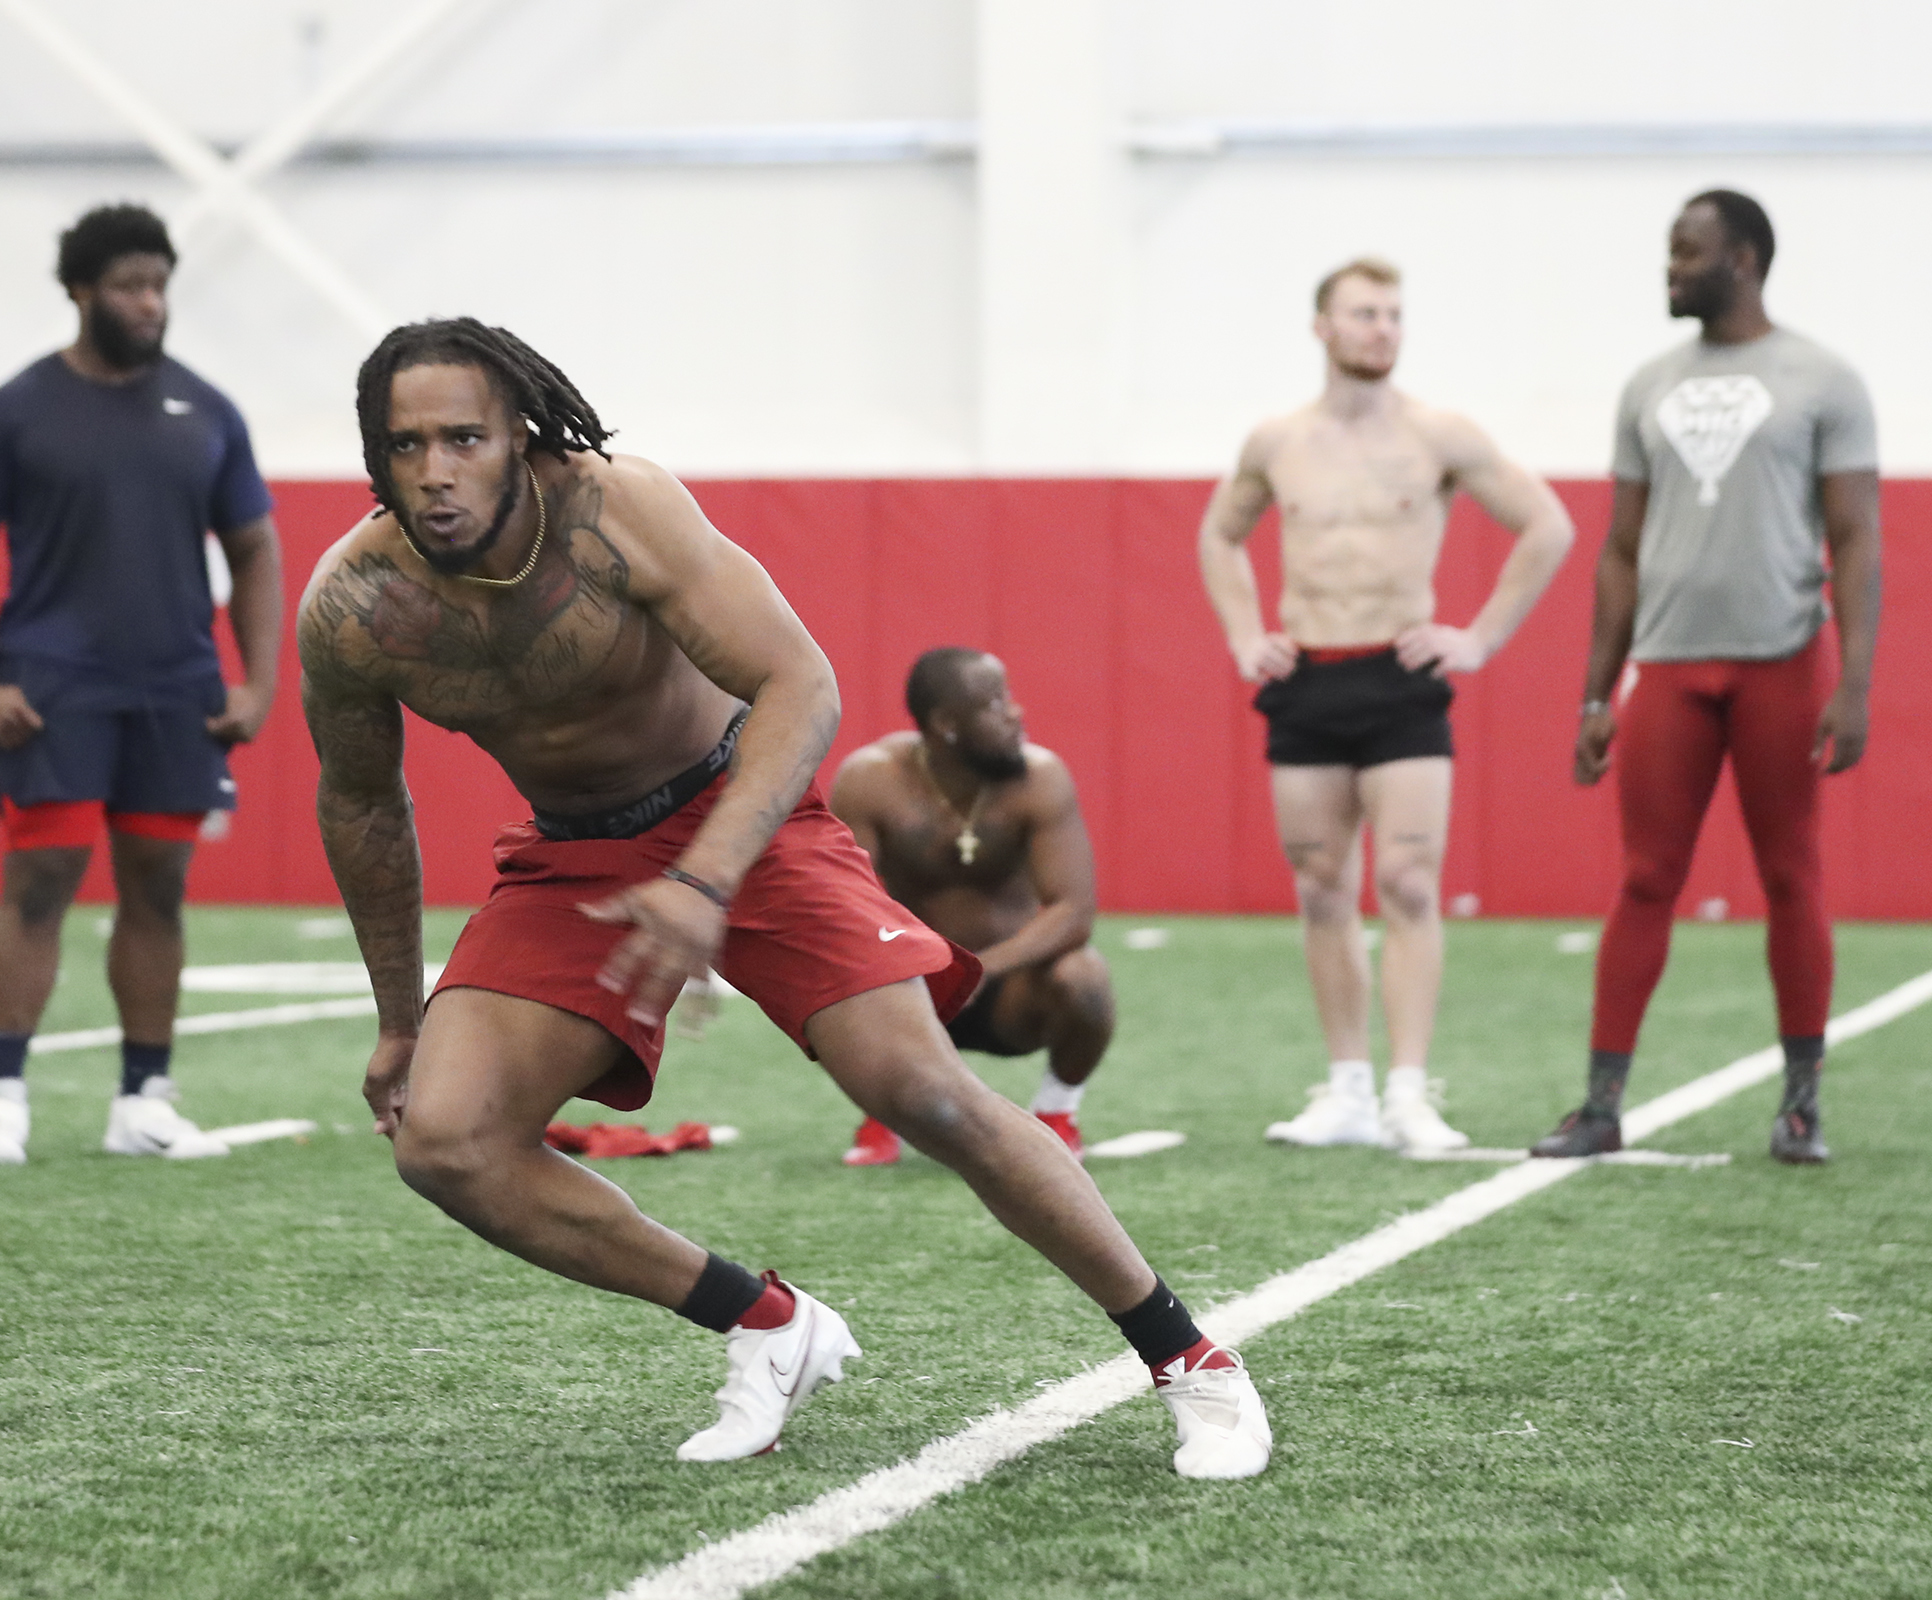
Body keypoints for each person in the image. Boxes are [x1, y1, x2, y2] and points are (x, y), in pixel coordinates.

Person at [297, 317, 1270, 1477]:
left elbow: (798, 684)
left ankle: (1190, 1357)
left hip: (738, 810)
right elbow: (361, 805)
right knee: (445, 1142)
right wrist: (400, 1021)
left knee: (923, 1090)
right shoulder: (355, 608)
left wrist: (706, 876)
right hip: (573, 852)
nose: (437, 470)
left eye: (465, 436)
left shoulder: (619, 511)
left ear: (518, 435)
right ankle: (766, 1323)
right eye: (406, 445)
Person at [0, 203, 284, 1166]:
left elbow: (254, 547)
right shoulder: (14, 412)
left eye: (160, 284)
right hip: (51, 685)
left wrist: (256, 683)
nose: (150, 301)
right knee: (39, 880)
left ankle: (144, 1101)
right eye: (130, 285)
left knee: (158, 890)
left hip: (178, 691)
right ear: (80, 291)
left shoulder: (208, 411)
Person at [1531, 191, 1879, 1165]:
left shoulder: (1824, 378)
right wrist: (1598, 694)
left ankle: (1800, 1103)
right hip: (1671, 669)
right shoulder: (1647, 384)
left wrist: (1853, 680)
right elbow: (1621, 550)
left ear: (1746, 258)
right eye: (1669, 252)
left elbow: (1854, 536)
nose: (1670, 269)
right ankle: (1601, 1104)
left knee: (1789, 873)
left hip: (1780, 660)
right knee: (1645, 877)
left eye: (1687, 252)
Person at [1200, 258, 1575, 1155]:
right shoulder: (1276, 440)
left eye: (1394, 315)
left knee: (1407, 883)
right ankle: (1348, 1090)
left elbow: (1547, 525)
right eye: (1364, 313)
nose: (1382, 329)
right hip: (1309, 683)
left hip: (1400, 683)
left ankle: (1410, 1088)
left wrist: (1477, 638)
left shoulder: (1437, 434)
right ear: (1322, 327)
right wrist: (1245, 636)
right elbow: (1220, 533)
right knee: (1323, 888)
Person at [827, 648, 1113, 1165]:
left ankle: (1056, 1114)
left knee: (1085, 978)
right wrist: (912, 966)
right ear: (946, 724)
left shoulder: (1041, 778)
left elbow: (1072, 912)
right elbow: (850, 900)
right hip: (913, 987)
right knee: (831, 976)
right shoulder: (871, 779)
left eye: (1008, 698)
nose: (1015, 713)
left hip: (1010, 988)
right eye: (993, 704)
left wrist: (981, 968)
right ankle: (883, 1113)